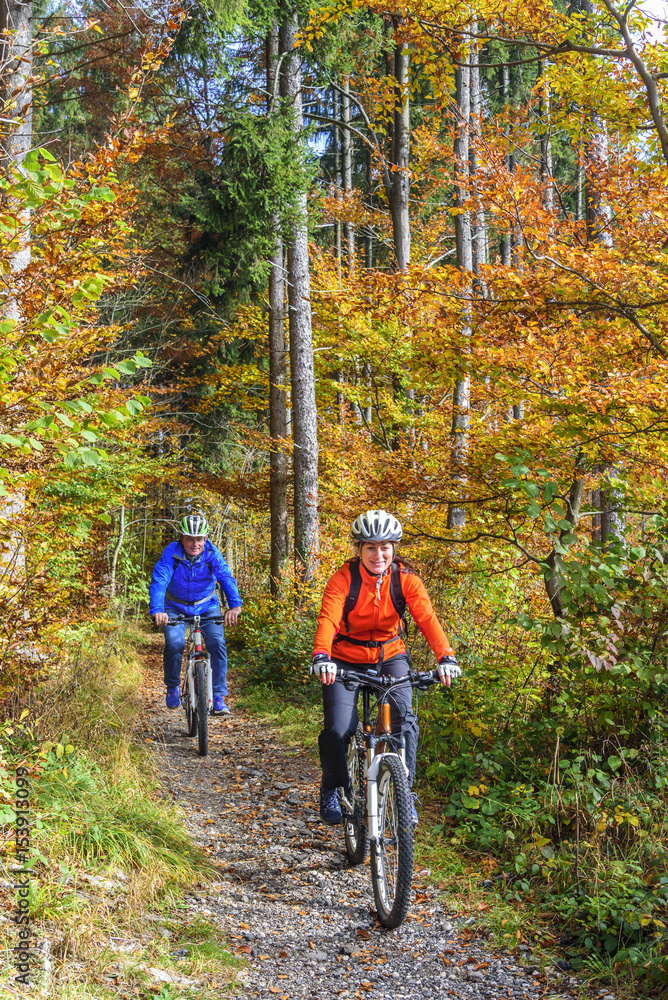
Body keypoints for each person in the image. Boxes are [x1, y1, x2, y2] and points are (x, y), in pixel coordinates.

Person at [311, 509, 460, 826]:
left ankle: (405, 791)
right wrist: (322, 655)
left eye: (385, 547)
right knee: (338, 730)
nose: (378, 554)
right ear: (359, 549)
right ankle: (332, 786)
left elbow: (427, 619)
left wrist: (445, 656)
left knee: (403, 721)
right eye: (370, 547)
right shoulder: (343, 579)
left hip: (389, 657)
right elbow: (328, 619)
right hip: (343, 659)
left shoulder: (405, 580)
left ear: (394, 549)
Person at [149, 513, 242, 714]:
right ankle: (173, 686)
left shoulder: (211, 553)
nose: (195, 543)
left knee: (217, 643)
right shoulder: (171, 553)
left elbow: (225, 576)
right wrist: (157, 609)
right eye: (190, 538)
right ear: (181, 538)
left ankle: (217, 696)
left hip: (206, 605)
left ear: (205, 539)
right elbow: (160, 579)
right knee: (175, 643)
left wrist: (234, 605)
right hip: (175, 606)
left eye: (199, 538)